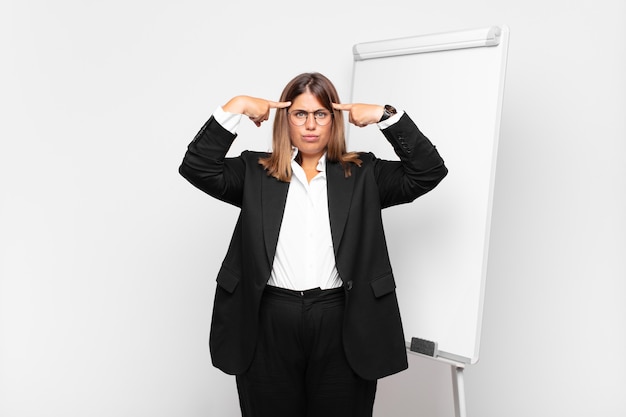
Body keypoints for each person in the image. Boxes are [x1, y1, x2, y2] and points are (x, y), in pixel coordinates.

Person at [179, 72, 448, 417]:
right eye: (300, 114)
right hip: (268, 319)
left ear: (333, 120)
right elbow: (197, 166)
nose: (310, 125)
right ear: (285, 120)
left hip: (342, 318)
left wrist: (386, 117)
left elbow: (428, 171)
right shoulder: (254, 172)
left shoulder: (364, 173)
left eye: (320, 114)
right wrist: (238, 106)